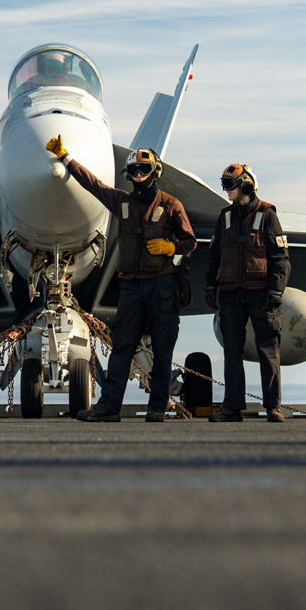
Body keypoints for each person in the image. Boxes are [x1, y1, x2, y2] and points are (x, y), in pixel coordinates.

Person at [45, 136, 196, 422]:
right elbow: (92, 184)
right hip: (131, 288)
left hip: (162, 286)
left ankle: (156, 407)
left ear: (155, 172)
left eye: (144, 169)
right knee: (121, 348)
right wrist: (65, 158)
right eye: (135, 171)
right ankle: (108, 407)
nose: (139, 175)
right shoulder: (122, 202)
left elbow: (190, 241)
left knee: (162, 350)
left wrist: (171, 247)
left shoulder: (172, 205)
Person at [204, 163, 291, 422]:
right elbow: (214, 255)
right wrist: (211, 285)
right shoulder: (226, 215)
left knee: (268, 351)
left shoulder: (267, 214)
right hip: (231, 294)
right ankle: (232, 408)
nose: (225, 190)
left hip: (260, 294)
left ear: (245, 185)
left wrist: (276, 292)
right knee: (231, 352)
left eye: (229, 184)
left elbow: (281, 258)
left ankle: (273, 407)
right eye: (223, 184)